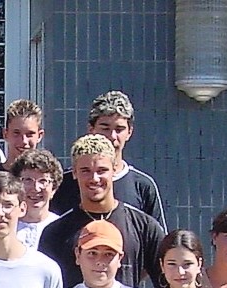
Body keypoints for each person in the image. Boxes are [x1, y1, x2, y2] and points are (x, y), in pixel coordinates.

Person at [38, 135, 165, 288]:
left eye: (102, 170)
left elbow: (168, 287)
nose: (94, 178)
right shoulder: (55, 233)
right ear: (74, 173)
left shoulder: (144, 227)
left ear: (114, 171)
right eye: (86, 171)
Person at [51, 90, 166, 226]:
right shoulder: (64, 183)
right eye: (105, 128)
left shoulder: (143, 186)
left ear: (129, 132)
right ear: (91, 129)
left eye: (119, 129)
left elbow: (159, 242)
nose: (112, 136)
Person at [9, 148, 62, 251]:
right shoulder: (5, 226)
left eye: (43, 181)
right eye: (28, 180)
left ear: (53, 188)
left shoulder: (62, 227)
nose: (35, 188)